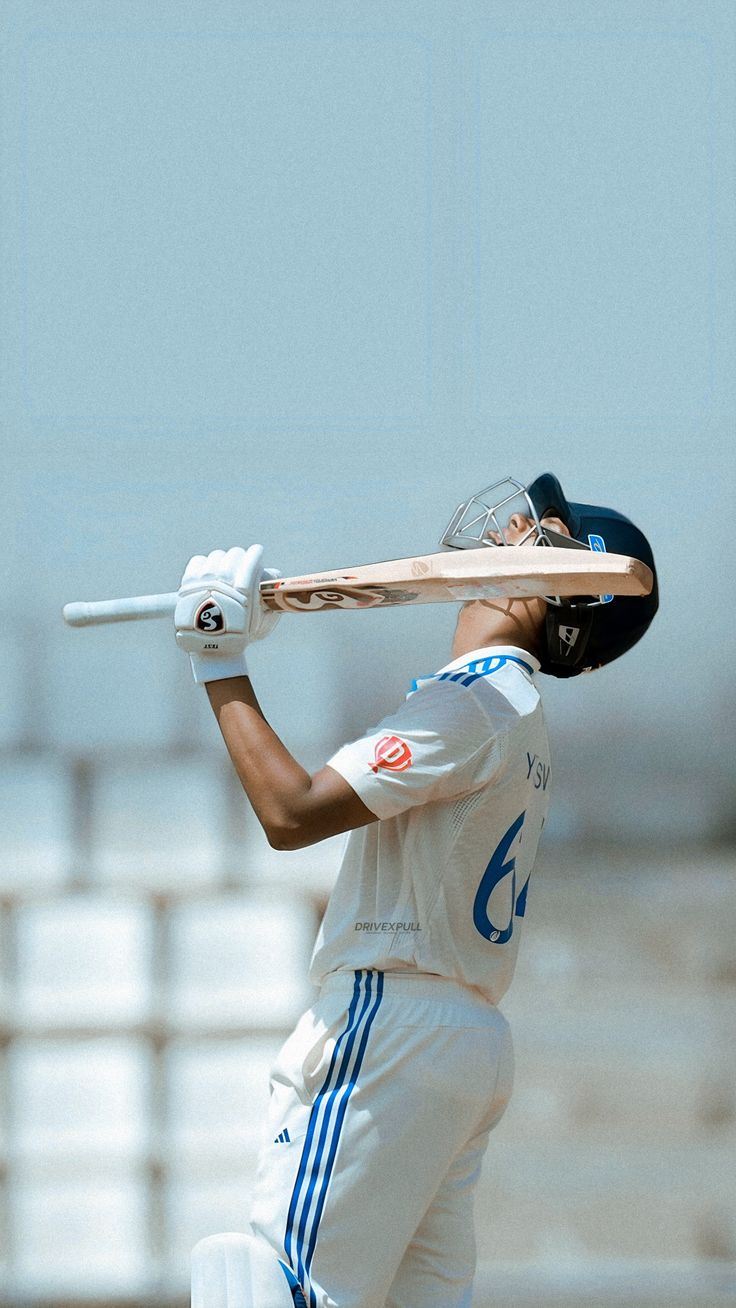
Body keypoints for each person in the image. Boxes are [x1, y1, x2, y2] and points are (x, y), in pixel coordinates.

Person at [179, 474, 658, 1308]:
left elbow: (290, 813)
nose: (509, 524)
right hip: (461, 1038)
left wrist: (219, 659)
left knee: (271, 1291)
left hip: (391, 1023)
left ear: (563, 599)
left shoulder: (478, 699)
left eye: (538, 531)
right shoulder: (516, 711)